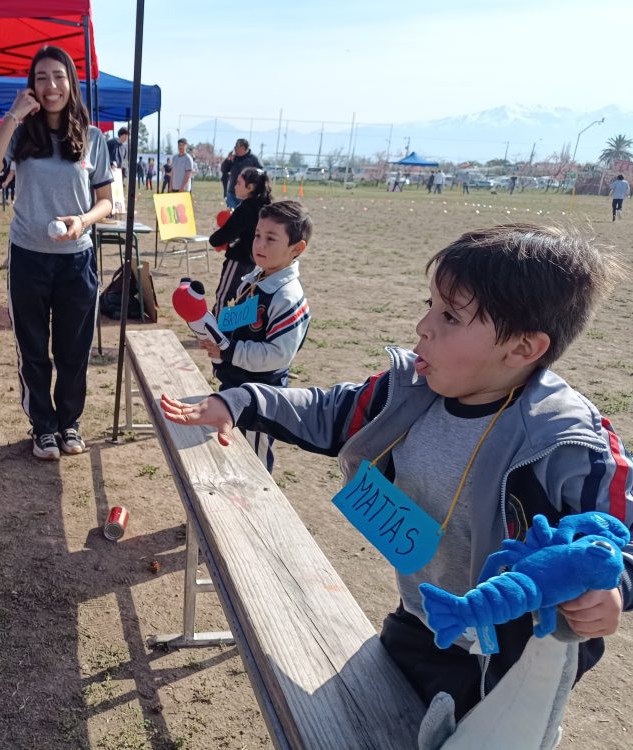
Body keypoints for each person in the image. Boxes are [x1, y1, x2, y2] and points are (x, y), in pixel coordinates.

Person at [161, 224, 632, 722]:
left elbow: (622, 536)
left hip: (509, 654)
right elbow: (330, 411)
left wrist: (614, 587)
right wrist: (240, 400)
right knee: (379, 715)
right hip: (420, 613)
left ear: (521, 349)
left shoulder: (568, 441)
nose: (423, 326)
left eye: (450, 315)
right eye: (430, 304)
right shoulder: (412, 388)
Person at [0, 45, 113, 460]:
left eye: (58, 76)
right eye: (41, 78)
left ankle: (70, 423)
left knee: (74, 348)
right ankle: (43, 428)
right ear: (31, 86)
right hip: (29, 257)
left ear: (71, 82)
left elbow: (107, 200)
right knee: (32, 347)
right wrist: (13, 116)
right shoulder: (20, 133)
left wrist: (83, 221)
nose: (50, 86)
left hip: (77, 258)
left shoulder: (92, 137)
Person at [202, 200, 311, 471]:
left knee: (253, 466)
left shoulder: (287, 296)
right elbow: (239, 321)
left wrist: (228, 351)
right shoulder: (257, 278)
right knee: (228, 456)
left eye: (271, 239)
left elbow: (278, 355)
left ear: (296, 248)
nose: (259, 244)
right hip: (235, 386)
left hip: (260, 398)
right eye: (257, 235)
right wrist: (215, 332)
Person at [210, 167, 272, 315]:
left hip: (239, 260)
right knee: (244, 298)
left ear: (250, 187)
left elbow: (223, 235)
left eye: (238, 183)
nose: (234, 186)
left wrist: (215, 239)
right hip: (259, 263)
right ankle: (236, 333)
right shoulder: (266, 206)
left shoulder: (246, 208)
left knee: (225, 297)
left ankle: (216, 334)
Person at [226, 139, 263, 208]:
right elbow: (224, 169)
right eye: (235, 147)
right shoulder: (233, 158)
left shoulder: (253, 159)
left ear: (244, 148)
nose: (235, 149)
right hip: (232, 193)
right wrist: (228, 160)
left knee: (243, 215)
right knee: (232, 216)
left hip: (246, 194)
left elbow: (261, 174)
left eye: (237, 147)